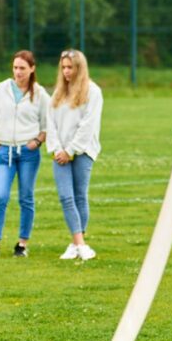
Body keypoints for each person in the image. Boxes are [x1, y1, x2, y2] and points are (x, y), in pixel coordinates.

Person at [0, 50, 49, 258]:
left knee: (26, 198)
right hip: (4, 152)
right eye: (15, 67)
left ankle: (22, 244)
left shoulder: (40, 94)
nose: (18, 72)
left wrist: (36, 142)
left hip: (28, 154)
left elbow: (47, 125)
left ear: (32, 69)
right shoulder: (0, 90)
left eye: (22, 68)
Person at [46, 49, 103, 261]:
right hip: (59, 152)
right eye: (63, 68)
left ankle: (76, 242)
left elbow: (88, 125)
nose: (66, 72)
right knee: (65, 196)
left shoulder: (93, 92)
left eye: (70, 67)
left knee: (79, 196)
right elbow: (49, 122)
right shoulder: (58, 93)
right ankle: (80, 244)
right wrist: (57, 149)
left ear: (79, 68)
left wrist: (71, 150)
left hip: (83, 151)